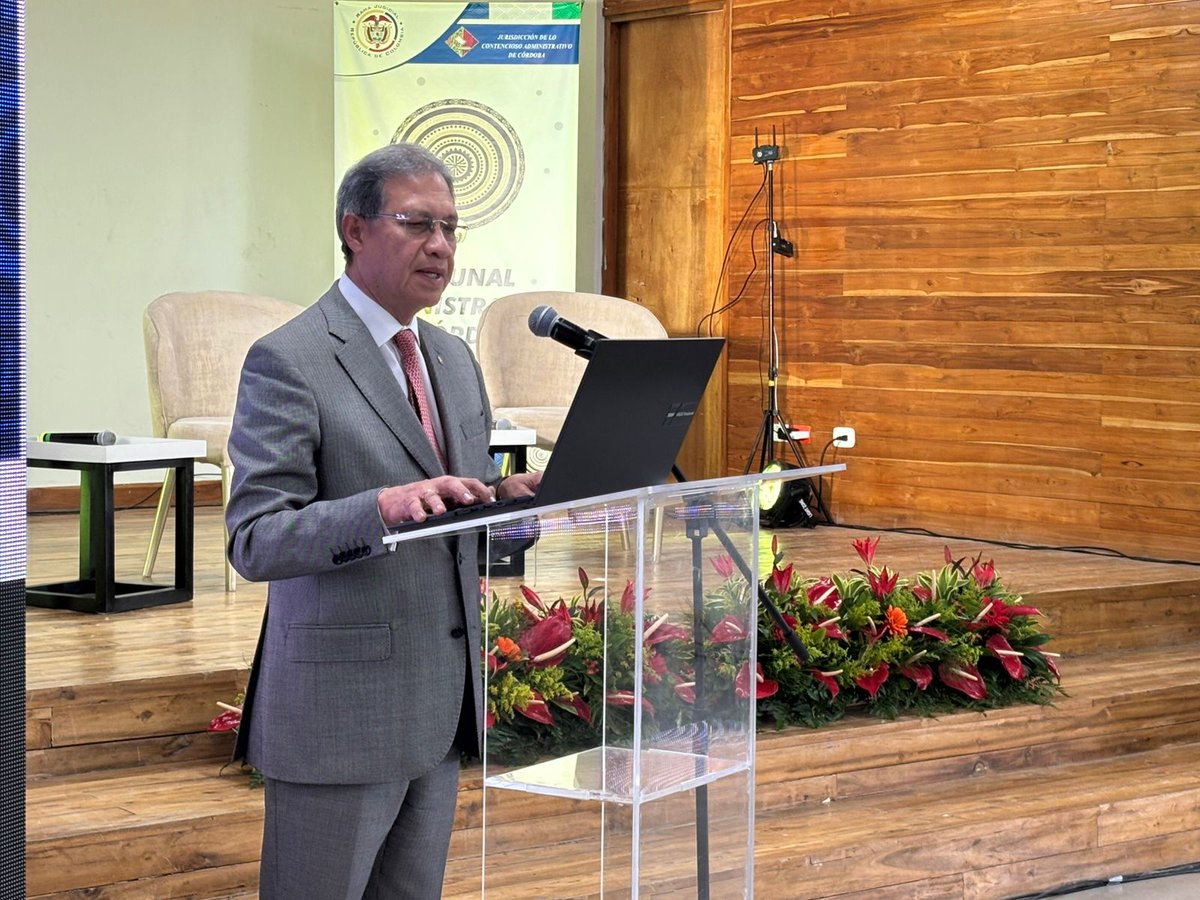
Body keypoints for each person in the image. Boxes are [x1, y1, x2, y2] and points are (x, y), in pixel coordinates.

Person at [225, 142, 542, 899]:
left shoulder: (453, 359)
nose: (440, 245)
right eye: (417, 223)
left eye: (451, 228)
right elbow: (255, 538)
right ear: (355, 229)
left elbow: (456, 518)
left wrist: (511, 504)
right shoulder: (290, 360)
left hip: (438, 706)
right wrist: (378, 509)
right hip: (340, 715)